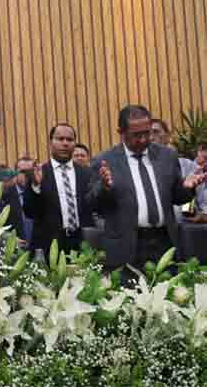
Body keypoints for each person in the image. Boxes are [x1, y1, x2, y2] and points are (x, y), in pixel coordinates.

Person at [88, 105, 206, 272]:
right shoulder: (105, 160)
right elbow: (92, 203)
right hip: (126, 245)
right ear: (121, 132)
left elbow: (176, 197)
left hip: (164, 242)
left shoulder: (167, 156)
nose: (143, 139)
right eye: (136, 135)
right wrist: (104, 187)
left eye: (147, 133)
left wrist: (187, 187)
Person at [23, 124, 98, 254]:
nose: (65, 143)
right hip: (49, 245)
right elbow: (30, 212)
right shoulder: (39, 173)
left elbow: (96, 207)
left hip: (83, 244)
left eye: (69, 140)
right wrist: (36, 186)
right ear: (50, 142)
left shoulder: (87, 173)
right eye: (60, 139)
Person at [1, 156, 35, 245]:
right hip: (15, 249)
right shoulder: (4, 196)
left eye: (31, 171)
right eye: (23, 172)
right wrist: (9, 238)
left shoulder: (43, 193)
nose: (27, 175)